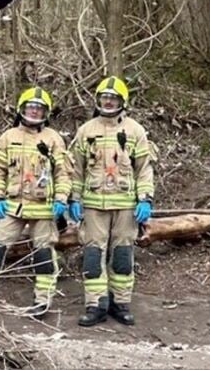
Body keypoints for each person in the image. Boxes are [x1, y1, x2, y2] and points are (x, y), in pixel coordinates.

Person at [0, 87, 71, 317]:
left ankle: (42, 300)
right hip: (13, 206)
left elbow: (63, 174)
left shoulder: (53, 139)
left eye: (39, 108)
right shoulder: (9, 137)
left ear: (46, 112)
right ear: (22, 109)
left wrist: (61, 199)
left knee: (43, 254)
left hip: (44, 208)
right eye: (30, 107)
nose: (34, 112)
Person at [68, 76, 155, 327]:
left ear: (122, 101)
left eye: (113, 98)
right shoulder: (86, 131)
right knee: (93, 255)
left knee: (122, 255)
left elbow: (144, 169)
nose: (108, 102)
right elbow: (76, 170)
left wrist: (145, 199)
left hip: (126, 206)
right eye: (104, 97)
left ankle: (120, 303)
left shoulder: (135, 131)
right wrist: (74, 198)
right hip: (94, 206)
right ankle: (96, 305)